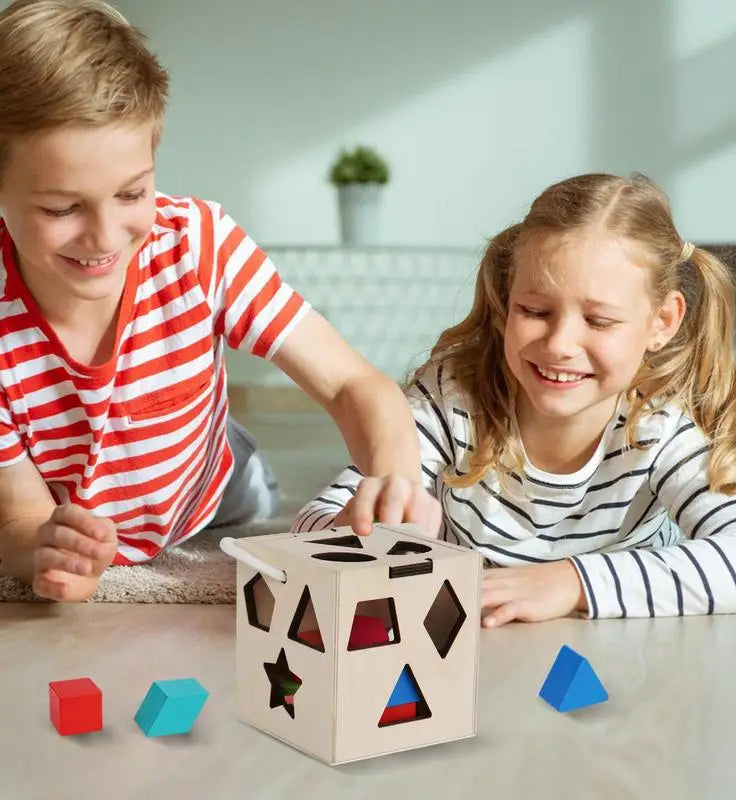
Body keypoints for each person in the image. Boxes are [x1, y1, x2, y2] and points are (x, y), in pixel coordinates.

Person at [0, 0, 435, 602]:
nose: (103, 236)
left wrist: (396, 479)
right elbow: (19, 527)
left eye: (132, 193)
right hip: (39, 488)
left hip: (203, 481)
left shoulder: (199, 245)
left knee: (250, 481)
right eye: (61, 208)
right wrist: (47, 549)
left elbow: (355, 387)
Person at [294, 172, 736, 625]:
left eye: (599, 321)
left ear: (663, 322)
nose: (560, 343)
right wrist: (353, 525)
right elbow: (310, 521)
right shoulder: (452, 400)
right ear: (508, 299)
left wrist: (574, 582)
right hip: (477, 655)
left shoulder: (662, 425)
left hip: (624, 657)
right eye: (535, 311)